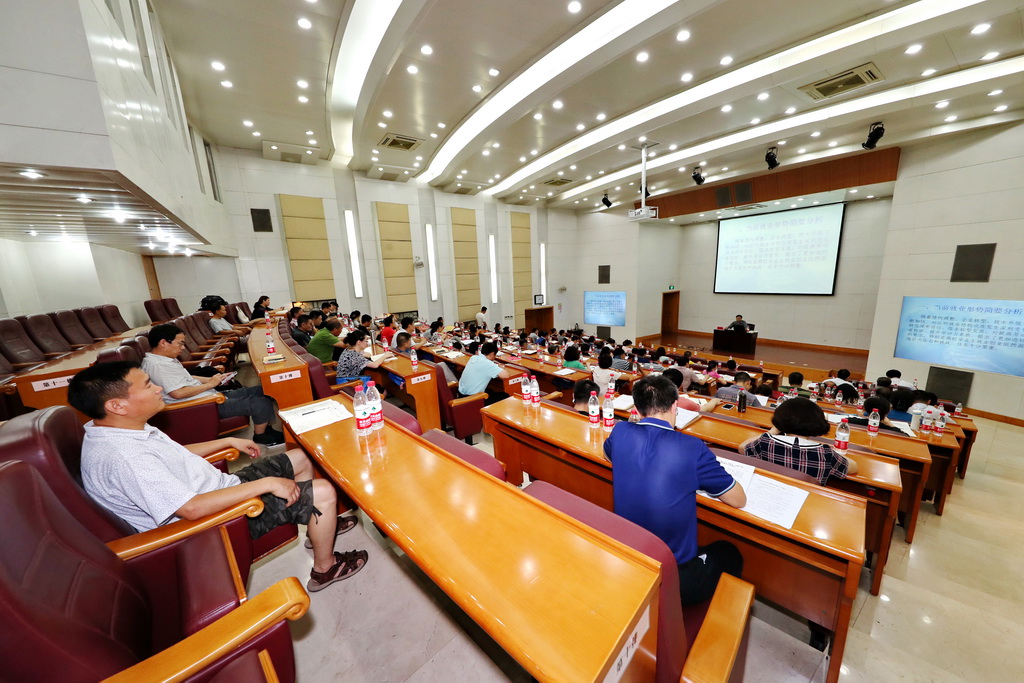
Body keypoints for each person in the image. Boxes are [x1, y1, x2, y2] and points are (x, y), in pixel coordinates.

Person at [67, 360, 367, 593]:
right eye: (148, 386)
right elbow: (191, 508)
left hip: (221, 488)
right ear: (116, 405)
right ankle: (325, 568)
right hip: (214, 521)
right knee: (323, 491)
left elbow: (175, 454)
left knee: (301, 457)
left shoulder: (117, 428)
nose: (158, 389)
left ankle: (318, 528)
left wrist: (229, 441)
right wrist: (266, 484)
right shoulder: (124, 458)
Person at [604, 375, 746, 606]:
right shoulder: (692, 447)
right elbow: (738, 499)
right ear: (674, 406)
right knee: (728, 551)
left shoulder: (620, 431)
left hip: (631, 553)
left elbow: (607, 454)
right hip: (674, 575)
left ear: (637, 409)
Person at [141, 324, 283, 445]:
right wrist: (210, 385)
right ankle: (261, 436)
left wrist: (213, 379)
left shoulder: (165, 359)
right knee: (260, 403)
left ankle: (267, 428)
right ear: (163, 343)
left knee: (263, 390)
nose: (183, 347)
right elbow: (178, 393)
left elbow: (187, 378)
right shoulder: (158, 366)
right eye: (180, 343)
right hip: (201, 406)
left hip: (209, 396)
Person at [740, 397, 858, 486]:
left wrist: (772, 431)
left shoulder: (765, 441)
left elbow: (742, 447)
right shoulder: (825, 453)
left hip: (770, 492)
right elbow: (853, 467)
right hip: (809, 501)